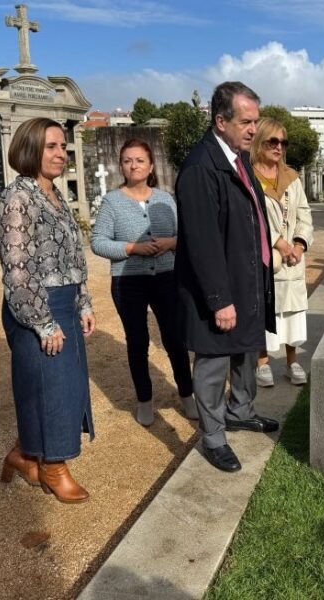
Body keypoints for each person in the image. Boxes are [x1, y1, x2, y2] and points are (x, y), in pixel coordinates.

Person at [174, 81, 278, 473]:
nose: (254, 129)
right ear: (221, 121)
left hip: (246, 280)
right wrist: (219, 299)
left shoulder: (238, 158)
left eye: (255, 121)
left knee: (246, 354)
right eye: (246, 122)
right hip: (221, 291)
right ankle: (214, 437)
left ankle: (241, 411)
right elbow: (202, 242)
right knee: (214, 362)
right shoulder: (201, 168)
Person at [0, 117, 96, 504]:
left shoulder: (54, 195)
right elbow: (18, 270)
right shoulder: (17, 198)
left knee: (63, 387)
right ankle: (54, 467)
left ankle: (23, 455)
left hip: (65, 302)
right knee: (50, 391)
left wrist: (83, 301)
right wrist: (43, 321)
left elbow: (73, 258)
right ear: (30, 149)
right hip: (37, 308)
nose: (61, 153)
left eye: (63, 146)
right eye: (52, 146)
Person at [91, 139, 195, 426]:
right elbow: (97, 242)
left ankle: (187, 394)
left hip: (166, 277)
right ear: (121, 166)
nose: (133, 165)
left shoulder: (165, 199)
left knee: (175, 339)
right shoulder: (112, 201)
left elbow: (186, 237)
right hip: (128, 282)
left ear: (150, 166)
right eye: (127, 160)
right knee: (137, 342)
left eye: (139, 160)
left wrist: (171, 242)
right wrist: (132, 249)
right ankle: (145, 399)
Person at [250, 117, 314, 387]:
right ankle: (262, 362)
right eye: (272, 141)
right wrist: (279, 242)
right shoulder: (249, 176)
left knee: (293, 312)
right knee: (267, 309)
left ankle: (292, 362)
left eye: (283, 142)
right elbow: (251, 218)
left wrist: (298, 245)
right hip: (267, 256)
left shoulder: (291, 178)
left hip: (293, 259)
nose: (278, 147)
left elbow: (304, 214)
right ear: (259, 141)